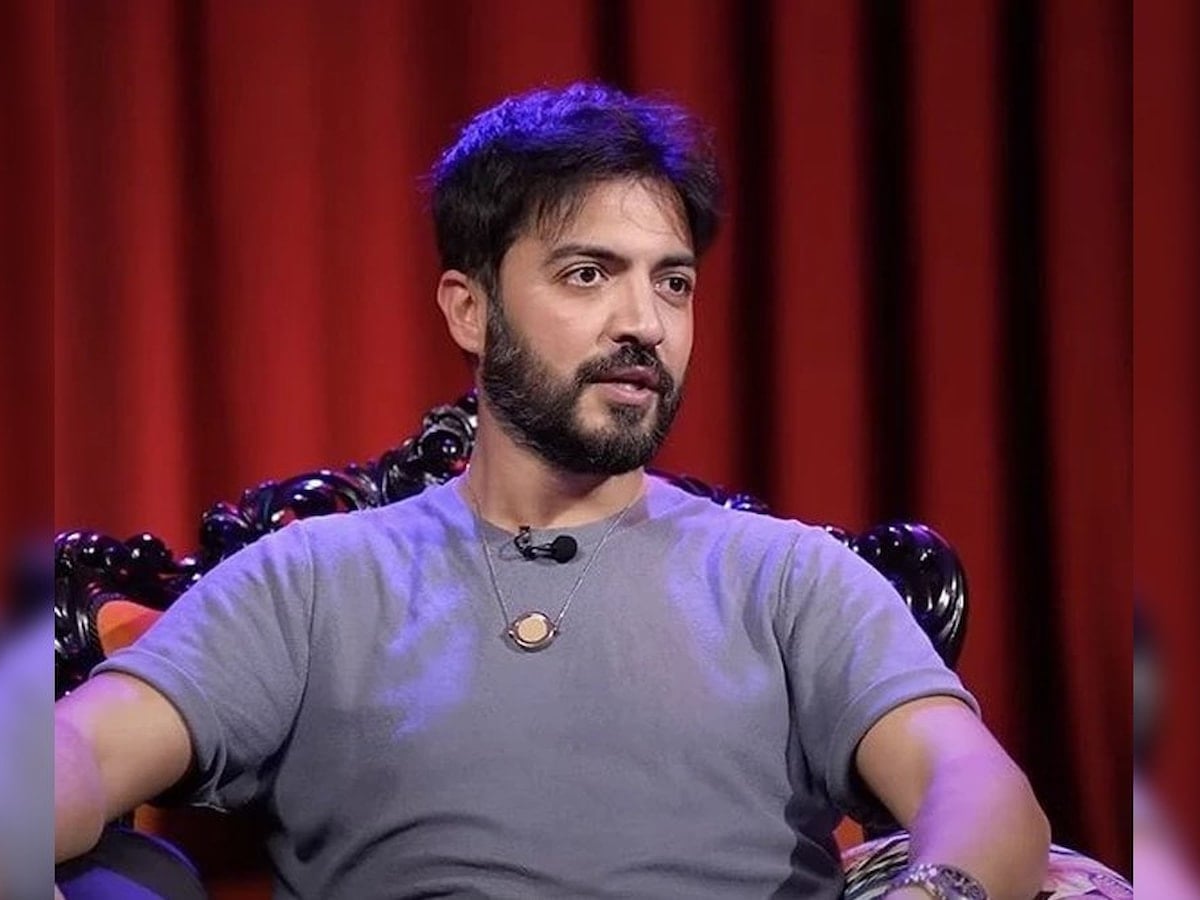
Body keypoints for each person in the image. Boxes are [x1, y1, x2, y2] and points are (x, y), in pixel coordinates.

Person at [55, 83, 1049, 899]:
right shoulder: (313, 581)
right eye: (587, 275)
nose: (644, 323)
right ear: (471, 310)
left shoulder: (789, 578)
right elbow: (78, 756)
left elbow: (976, 789)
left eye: (673, 282)